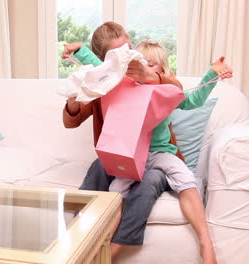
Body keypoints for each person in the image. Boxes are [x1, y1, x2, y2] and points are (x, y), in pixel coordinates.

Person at [63, 22, 233, 263]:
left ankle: (206, 243)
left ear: (160, 69)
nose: (135, 63)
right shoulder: (110, 81)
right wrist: (79, 50)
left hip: (159, 156)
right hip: (127, 156)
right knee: (113, 186)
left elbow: (189, 98)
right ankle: (86, 241)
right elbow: (101, 68)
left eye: (147, 62)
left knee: (178, 178)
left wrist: (211, 74)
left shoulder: (162, 84)